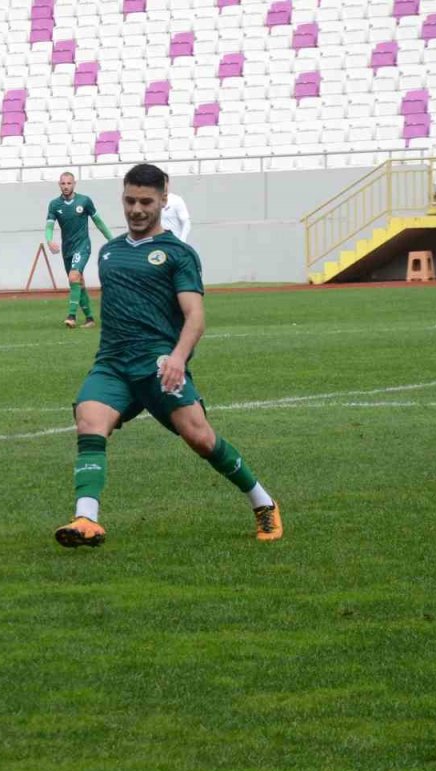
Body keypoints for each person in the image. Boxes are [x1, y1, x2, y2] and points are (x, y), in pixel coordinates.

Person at [55, 163, 282, 548]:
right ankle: (86, 519)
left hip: (159, 366)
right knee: (89, 420)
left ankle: (263, 502)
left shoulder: (178, 254)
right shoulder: (109, 253)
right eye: (130, 201)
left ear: (164, 199)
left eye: (146, 201)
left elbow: (195, 317)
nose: (137, 209)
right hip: (112, 364)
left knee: (201, 439)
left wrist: (177, 357)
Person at [45, 171, 114, 329]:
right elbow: (49, 226)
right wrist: (49, 240)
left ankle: (71, 316)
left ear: (74, 184)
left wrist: (112, 240)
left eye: (69, 183)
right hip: (67, 248)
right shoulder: (55, 204)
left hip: (82, 246)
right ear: (59, 185)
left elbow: (99, 222)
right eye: (63, 183)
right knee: (77, 282)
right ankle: (90, 318)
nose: (66, 186)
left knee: (74, 276)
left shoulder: (84, 201)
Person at [162, 176, 192, 242]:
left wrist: (182, 241)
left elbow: (186, 222)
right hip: (159, 244)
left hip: (175, 242)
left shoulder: (176, 200)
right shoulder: (153, 201)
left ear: (167, 183)